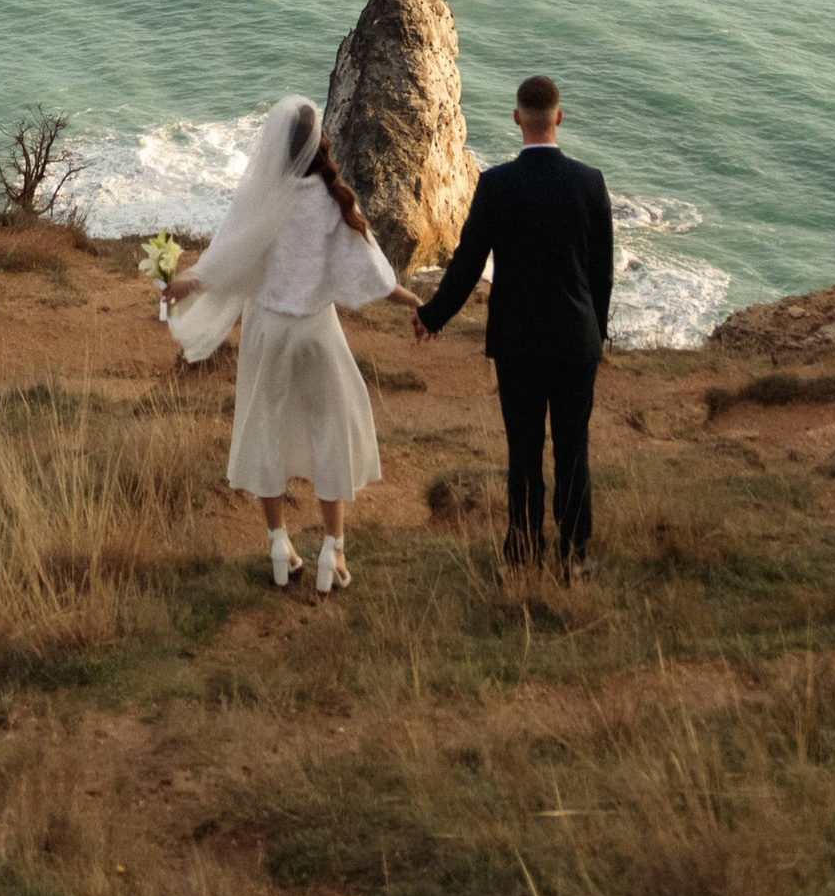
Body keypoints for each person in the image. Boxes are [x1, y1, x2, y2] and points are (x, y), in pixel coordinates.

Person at [166, 94, 400, 592]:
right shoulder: (335, 198)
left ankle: (278, 543)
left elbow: (227, 259)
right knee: (329, 431)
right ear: (320, 143)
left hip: (267, 329)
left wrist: (185, 285)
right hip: (315, 330)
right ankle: (330, 553)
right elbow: (372, 274)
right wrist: (417, 304)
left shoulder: (261, 199)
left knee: (265, 428)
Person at [412, 72, 614, 576]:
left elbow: (466, 263)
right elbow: (602, 274)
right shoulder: (590, 183)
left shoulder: (497, 184)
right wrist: (597, 333)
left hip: (518, 344)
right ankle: (574, 557)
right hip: (576, 339)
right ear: (559, 118)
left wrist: (432, 316)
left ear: (517, 118)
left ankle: (523, 556)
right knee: (573, 449)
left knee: (524, 452)